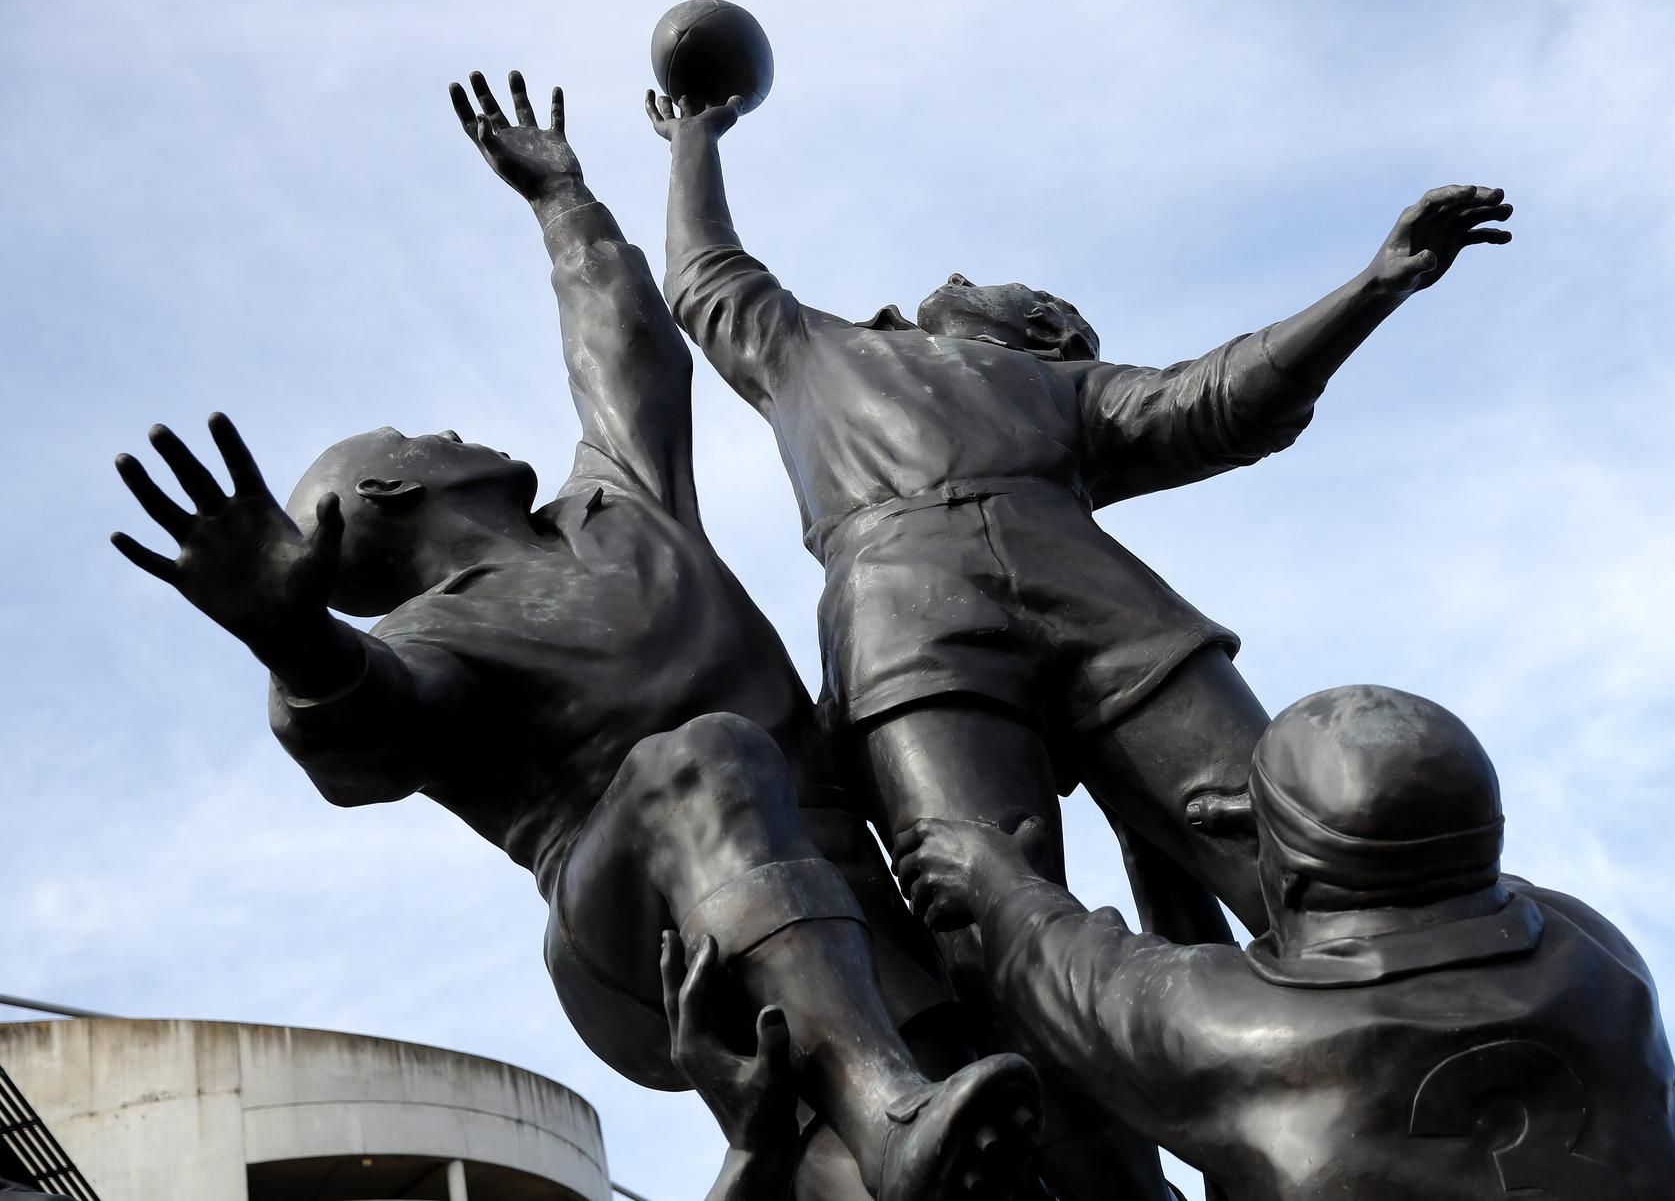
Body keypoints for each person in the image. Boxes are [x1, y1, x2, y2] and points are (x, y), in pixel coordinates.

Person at [109, 73, 1040, 1201]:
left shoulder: (615, 502)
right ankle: (885, 1112)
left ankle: (882, 1125)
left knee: (1009, 1127)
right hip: (630, 934)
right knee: (702, 759)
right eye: (415, 433)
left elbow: (624, 345)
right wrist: (290, 640)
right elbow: (365, 734)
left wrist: (564, 201)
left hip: (831, 890)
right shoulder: (428, 639)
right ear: (394, 483)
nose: (447, 427)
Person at [647, 89, 1513, 945]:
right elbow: (703, 271)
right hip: (907, 631)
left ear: (1051, 329)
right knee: (985, 920)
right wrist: (695, 139)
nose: (951, 277)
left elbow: (1219, 397)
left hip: (1108, 616)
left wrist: (1373, 287)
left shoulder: (1071, 386)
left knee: (1300, 855)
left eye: (995, 283)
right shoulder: (812, 349)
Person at [894, 685, 1675, 1201]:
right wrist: (1286, 830)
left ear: (1291, 881)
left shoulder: (1255, 1032)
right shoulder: (1600, 960)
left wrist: (995, 877)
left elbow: (1075, 974)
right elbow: (1445, 858)